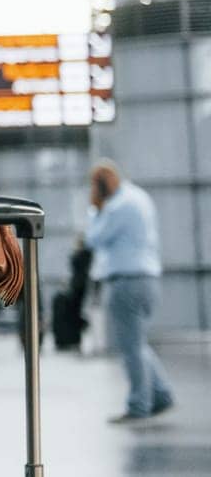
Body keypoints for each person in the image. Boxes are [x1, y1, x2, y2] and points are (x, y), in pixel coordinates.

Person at [86, 160, 174, 422]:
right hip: (148, 280)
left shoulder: (115, 207)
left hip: (126, 282)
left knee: (131, 347)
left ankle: (139, 406)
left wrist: (94, 210)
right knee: (138, 343)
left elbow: (94, 239)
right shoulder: (139, 197)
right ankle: (162, 394)